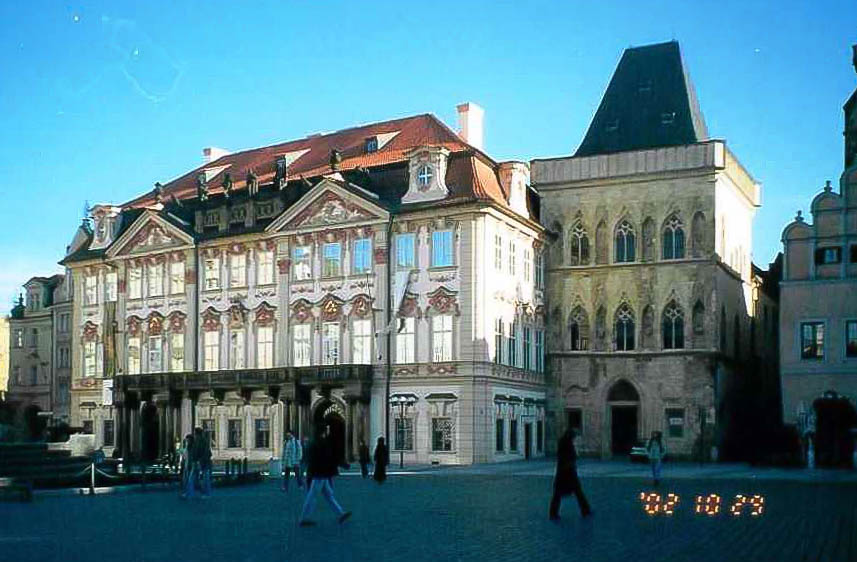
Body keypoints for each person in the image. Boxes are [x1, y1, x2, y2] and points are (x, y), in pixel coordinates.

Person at [298, 425, 351, 527]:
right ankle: (303, 518)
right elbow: (332, 457)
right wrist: (344, 464)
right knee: (312, 496)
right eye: (326, 430)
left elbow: (308, 458)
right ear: (323, 432)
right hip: (320, 473)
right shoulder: (322, 443)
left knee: (328, 495)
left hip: (319, 472)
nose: (328, 431)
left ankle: (341, 514)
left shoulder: (313, 442)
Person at [549, 429, 592, 521]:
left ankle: (585, 510)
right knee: (571, 493)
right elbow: (566, 457)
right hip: (566, 473)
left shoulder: (565, 443)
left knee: (566, 493)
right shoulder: (566, 445)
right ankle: (585, 510)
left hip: (566, 472)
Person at [194, 427, 213, 498]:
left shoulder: (202, 441)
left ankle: (206, 493)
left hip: (204, 462)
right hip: (201, 461)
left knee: (205, 478)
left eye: (195, 433)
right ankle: (204, 492)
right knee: (202, 478)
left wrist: (200, 459)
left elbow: (206, 452)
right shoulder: (200, 440)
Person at [181, 433, 197, 499]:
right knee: (187, 480)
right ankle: (188, 493)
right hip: (187, 464)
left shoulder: (192, 447)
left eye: (188, 440)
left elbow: (191, 457)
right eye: (186, 440)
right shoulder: (187, 447)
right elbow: (185, 457)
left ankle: (190, 494)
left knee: (190, 480)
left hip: (191, 465)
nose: (187, 442)